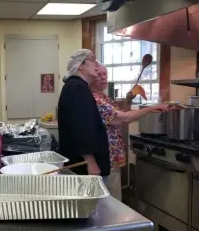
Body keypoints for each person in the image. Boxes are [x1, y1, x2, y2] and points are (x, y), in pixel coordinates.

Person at [90, 65, 170, 200]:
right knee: (111, 204)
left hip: (112, 157)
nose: (103, 78)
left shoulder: (103, 97)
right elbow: (123, 119)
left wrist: (128, 100)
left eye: (105, 74)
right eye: (99, 75)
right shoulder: (95, 100)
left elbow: (121, 115)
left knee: (113, 200)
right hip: (105, 158)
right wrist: (152, 108)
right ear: (91, 76)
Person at [58, 49, 111, 180]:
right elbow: (82, 128)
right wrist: (91, 162)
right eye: (93, 60)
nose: (97, 65)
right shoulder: (78, 88)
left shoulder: (73, 86)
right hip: (84, 166)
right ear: (80, 65)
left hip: (76, 162)